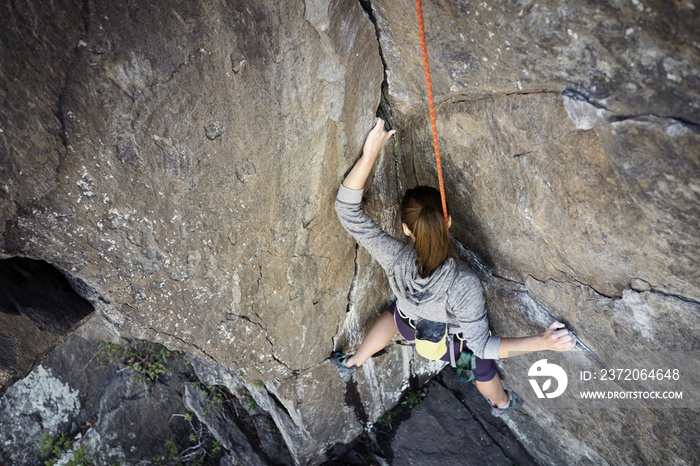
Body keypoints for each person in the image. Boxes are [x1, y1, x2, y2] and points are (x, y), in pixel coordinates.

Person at [331, 118, 577, 416]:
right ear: (447, 222)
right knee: (481, 364)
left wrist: (370, 153)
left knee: (394, 313)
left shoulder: (393, 255)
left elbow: (347, 209)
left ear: (407, 230)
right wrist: (544, 342)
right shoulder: (462, 284)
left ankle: (352, 362)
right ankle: (500, 403)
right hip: (452, 345)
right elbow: (484, 346)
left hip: (411, 328)